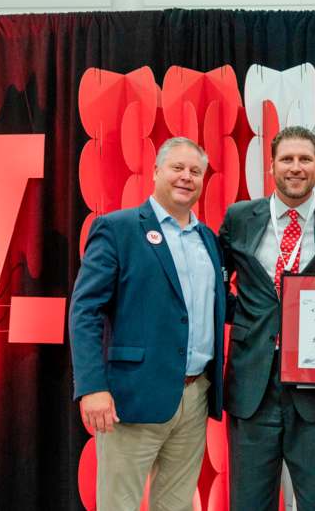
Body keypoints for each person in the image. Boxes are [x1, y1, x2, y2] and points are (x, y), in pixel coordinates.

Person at [69, 137, 226, 511]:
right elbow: (85, 310)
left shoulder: (208, 239)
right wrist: (91, 386)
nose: (186, 177)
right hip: (131, 397)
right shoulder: (118, 228)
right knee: (119, 504)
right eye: (177, 168)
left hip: (194, 396)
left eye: (195, 171)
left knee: (176, 505)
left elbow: (209, 308)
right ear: (156, 172)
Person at [219, 125, 315, 511]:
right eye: (287, 159)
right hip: (254, 388)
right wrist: (248, 319)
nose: (295, 167)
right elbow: (214, 285)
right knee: (249, 504)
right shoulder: (238, 217)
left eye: (305, 159)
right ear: (271, 167)